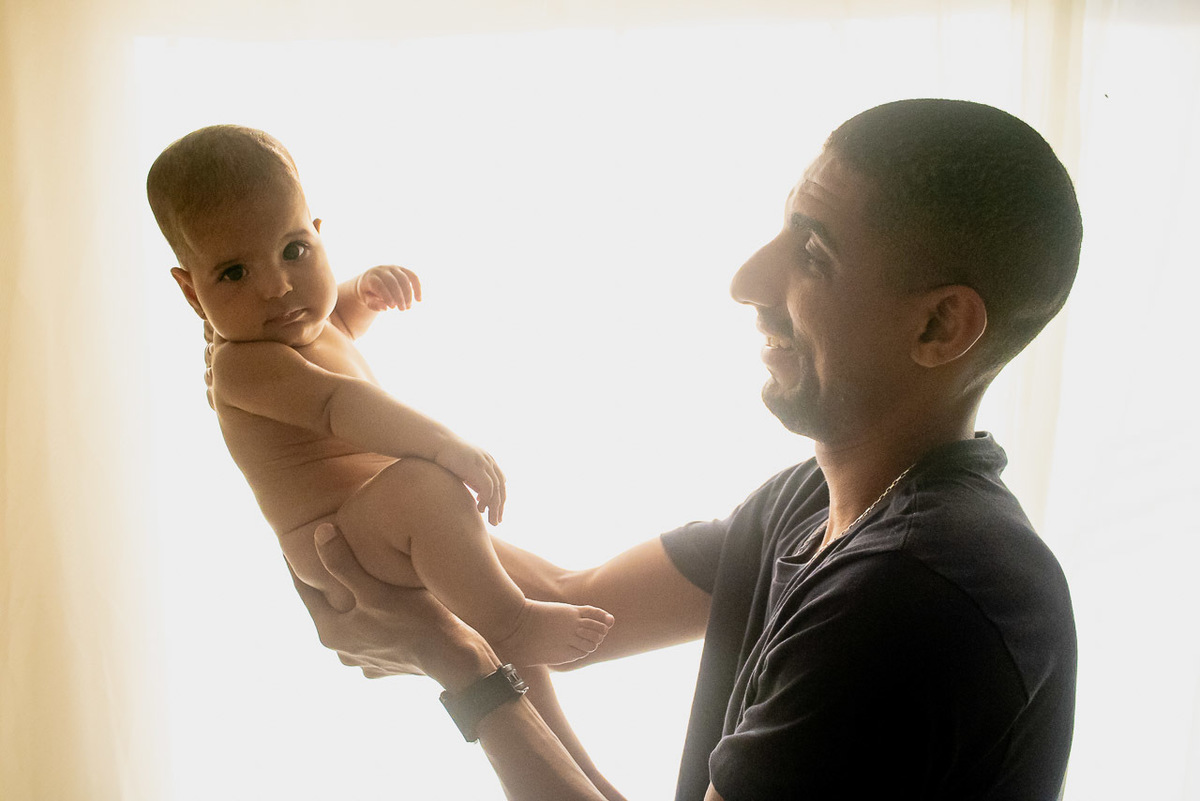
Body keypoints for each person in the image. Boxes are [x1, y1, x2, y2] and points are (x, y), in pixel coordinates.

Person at [287, 98, 1083, 800]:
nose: (746, 280)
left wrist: (453, 661)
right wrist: (382, 519)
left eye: (813, 254)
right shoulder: (809, 502)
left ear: (939, 326)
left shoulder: (913, 599)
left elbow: (513, 627)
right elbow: (573, 596)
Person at [147, 125, 627, 799]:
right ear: (193, 292)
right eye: (234, 272)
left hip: (386, 526)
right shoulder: (242, 366)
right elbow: (340, 405)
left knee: (506, 653)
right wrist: (442, 442)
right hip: (340, 537)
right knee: (430, 486)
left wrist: (363, 294)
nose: (278, 287)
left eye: (294, 249)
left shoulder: (306, 321)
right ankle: (512, 616)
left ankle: (593, 779)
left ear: (318, 232)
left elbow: (335, 321)